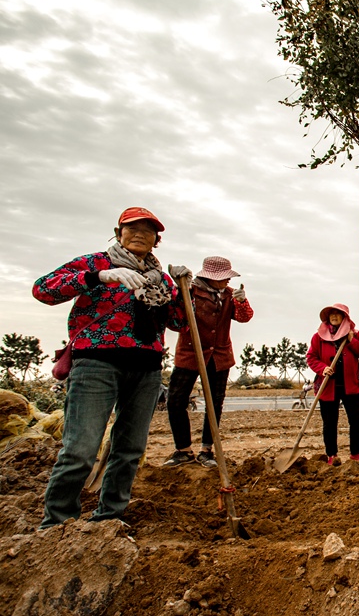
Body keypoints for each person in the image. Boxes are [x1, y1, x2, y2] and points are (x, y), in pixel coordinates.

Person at [32, 207, 188, 528]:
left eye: (148, 230)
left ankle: (109, 517)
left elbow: (180, 323)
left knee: (130, 449)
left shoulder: (162, 279)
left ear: (156, 241)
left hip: (146, 369)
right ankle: (58, 522)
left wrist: (185, 292)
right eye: (132, 228)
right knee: (81, 449)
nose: (139, 234)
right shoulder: (95, 264)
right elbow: (43, 289)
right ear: (118, 233)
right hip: (96, 364)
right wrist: (98, 277)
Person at [162, 256, 253, 468]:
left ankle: (207, 450)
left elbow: (244, 317)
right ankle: (183, 450)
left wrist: (242, 301)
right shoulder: (190, 292)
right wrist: (178, 287)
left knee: (214, 404)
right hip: (190, 353)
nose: (227, 281)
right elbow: (174, 318)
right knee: (175, 400)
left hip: (219, 357)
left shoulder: (229, 295)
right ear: (211, 278)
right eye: (224, 278)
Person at [306, 304, 359, 465]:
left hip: (351, 385)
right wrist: (322, 368)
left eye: (338, 314)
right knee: (330, 422)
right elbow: (311, 357)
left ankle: (356, 453)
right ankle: (332, 454)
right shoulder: (318, 337)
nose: (334, 316)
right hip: (328, 386)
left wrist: (352, 341)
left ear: (345, 317)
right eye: (331, 314)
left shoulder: (355, 335)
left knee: (356, 420)